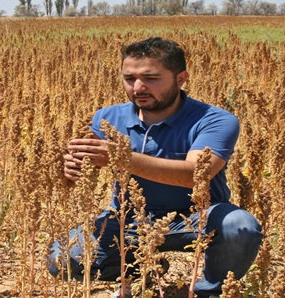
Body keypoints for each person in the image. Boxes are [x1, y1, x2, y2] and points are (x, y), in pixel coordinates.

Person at [47, 37, 263, 298]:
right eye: (129, 79)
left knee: (239, 226)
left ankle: (207, 292)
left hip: (197, 217)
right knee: (64, 260)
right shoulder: (108, 118)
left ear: (181, 78)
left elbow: (197, 175)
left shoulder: (215, 120)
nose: (138, 87)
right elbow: (82, 173)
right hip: (129, 220)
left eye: (151, 78)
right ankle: (143, 271)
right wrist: (72, 170)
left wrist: (121, 157)